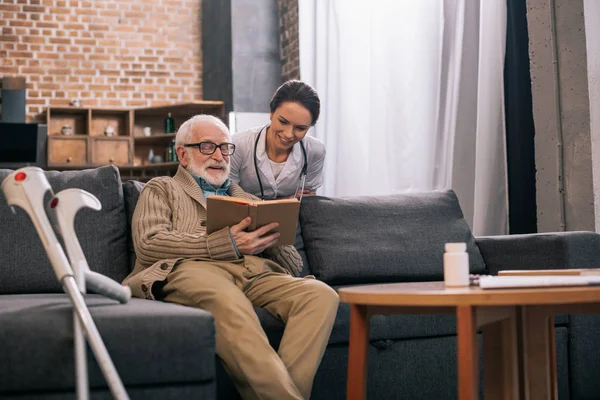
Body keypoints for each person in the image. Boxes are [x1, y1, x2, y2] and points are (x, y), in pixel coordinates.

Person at [122, 114, 339, 400]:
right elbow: (149, 243)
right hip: (191, 270)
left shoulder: (249, 199)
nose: (220, 156)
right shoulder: (162, 188)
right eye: (208, 147)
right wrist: (228, 243)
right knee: (226, 299)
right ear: (183, 154)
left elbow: (293, 266)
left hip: (253, 272)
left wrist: (269, 235)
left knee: (320, 295)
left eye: (225, 148)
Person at [230, 80, 326, 199]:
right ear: (271, 112)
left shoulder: (314, 151)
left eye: (300, 128)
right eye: (283, 122)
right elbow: (228, 197)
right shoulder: (237, 145)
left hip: (290, 217)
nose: (288, 134)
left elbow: (306, 201)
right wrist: (287, 200)